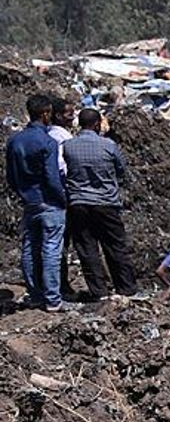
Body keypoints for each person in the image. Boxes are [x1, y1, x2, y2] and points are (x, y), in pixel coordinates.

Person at [61, 108, 140, 302]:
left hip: (78, 203)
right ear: (97, 124)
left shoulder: (69, 145)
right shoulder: (109, 145)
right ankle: (126, 289)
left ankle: (99, 292)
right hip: (106, 203)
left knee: (87, 249)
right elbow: (121, 170)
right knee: (115, 247)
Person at [6, 94, 71, 311]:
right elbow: (52, 177)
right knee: (51, 249)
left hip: (29, 202)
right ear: (45, 114)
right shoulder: (47, 142)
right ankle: (53, 299)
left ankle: (35, 295)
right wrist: (62, 199)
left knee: (29, 248)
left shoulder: (14, 141)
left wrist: (23, 194)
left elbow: (11, 178)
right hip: (49, 203)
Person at [48, 99, 75, 301]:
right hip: (61, 196)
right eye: (68, 114)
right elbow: (61, 168)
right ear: (58, 115)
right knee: (59, 244)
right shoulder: (62, 137)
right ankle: (60, 286)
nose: (72, 117)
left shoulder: (48, 133)